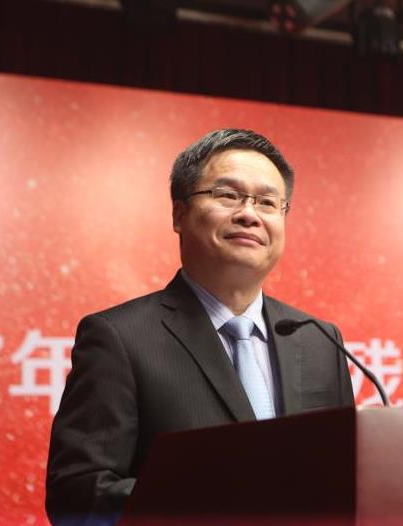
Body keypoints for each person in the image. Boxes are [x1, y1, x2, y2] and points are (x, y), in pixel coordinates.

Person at [46, 128, 355, 525]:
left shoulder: (318, 339)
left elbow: (348, 478)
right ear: (179, 214)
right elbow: (76, 496)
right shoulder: (120, 338)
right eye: (228, 195)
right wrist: (214, 500)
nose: (249, 214)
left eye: (267, 202)